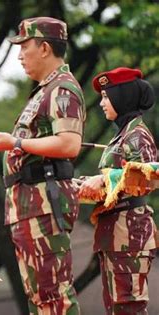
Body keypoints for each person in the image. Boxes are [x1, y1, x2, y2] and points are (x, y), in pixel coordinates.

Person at [0, 17, 85, 314]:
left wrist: (15, 143)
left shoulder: (61, 88)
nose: (19, 55)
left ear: (43, 48)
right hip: (29, 203)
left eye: (24, 46)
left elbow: (68, 144)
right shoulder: (45, 90)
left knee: (53, 292)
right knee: (40, 294)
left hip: (43, 201)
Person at [79, 67, 158, 314]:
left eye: (106, 96)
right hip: (115, 231)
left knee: (128, 306)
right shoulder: (122, 135)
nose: (102, 102)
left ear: (121, 96)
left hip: (130, 232)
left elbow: (151, 173)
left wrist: (104, 179)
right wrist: (81, 184)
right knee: (117, 306)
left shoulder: (136, 134)